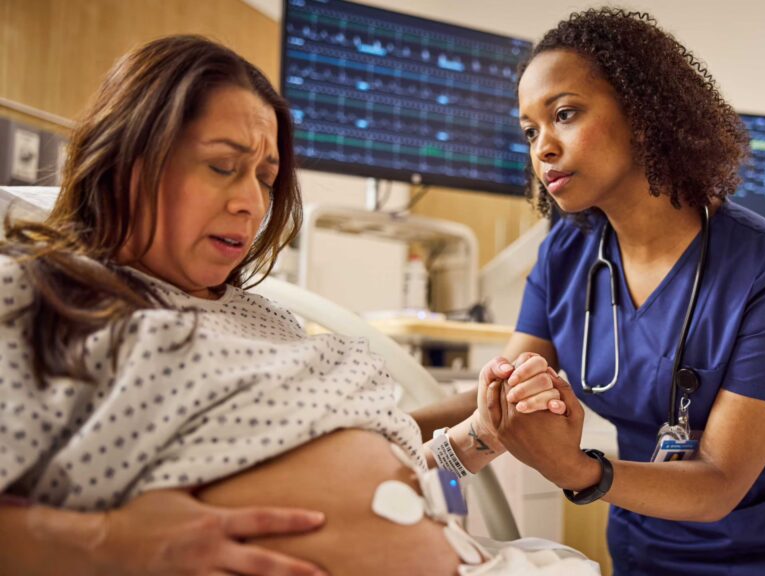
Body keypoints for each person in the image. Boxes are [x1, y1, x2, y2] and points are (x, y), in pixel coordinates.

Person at [0, 34, 564, 576]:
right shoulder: (41, 295)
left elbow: (363, 463)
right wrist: (109, 545)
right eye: (223, 166)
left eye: (265, 179)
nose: (250, 203)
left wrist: (478, 437)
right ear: (129, 161)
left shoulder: (263, 317)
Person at [468, 8, 765, 575]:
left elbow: (720, 482)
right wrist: (386, 426)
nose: (542, 148)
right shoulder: (566, 250)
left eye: (565, 114)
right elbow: (503, 393)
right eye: (530, 131)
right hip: (644, 537)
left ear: (644, 116)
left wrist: (580, 470)